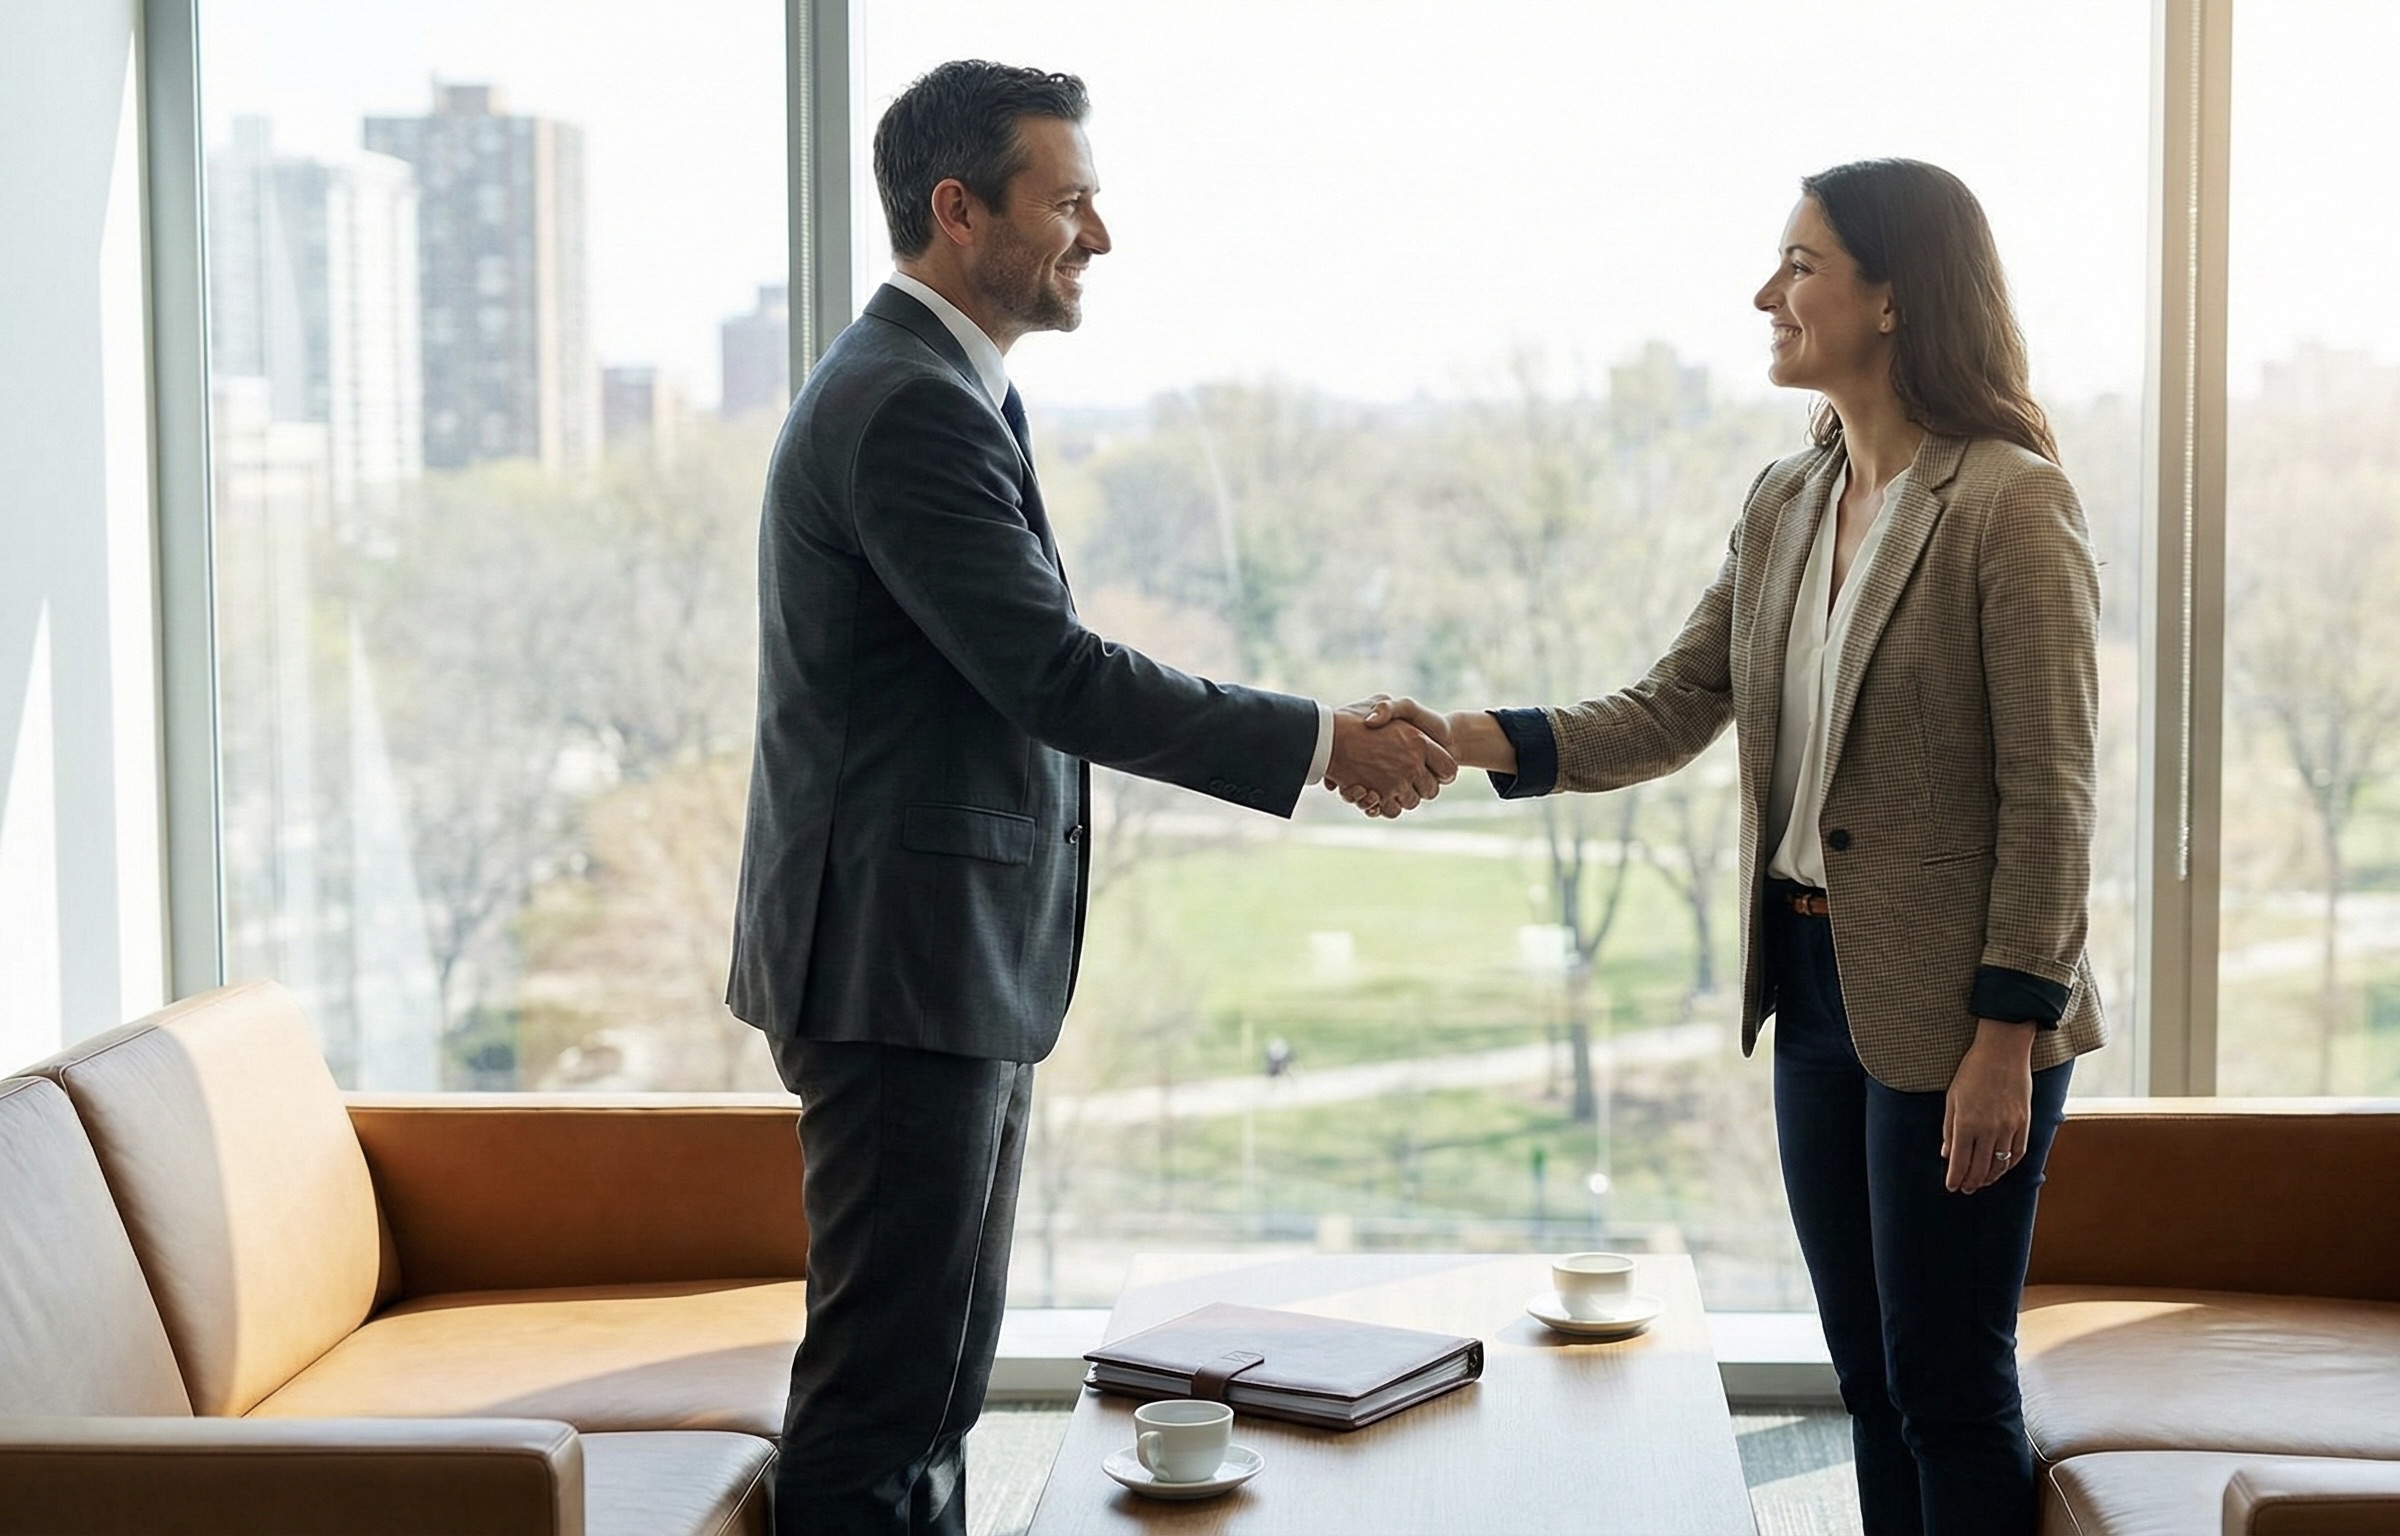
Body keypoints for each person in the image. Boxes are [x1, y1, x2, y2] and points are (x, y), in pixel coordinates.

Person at [724, 61, 1451, 1536]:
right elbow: (1052, 675)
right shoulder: (907, 406)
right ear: (957, 210)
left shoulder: (934, 386)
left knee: (935, 1391)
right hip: (898, 967)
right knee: (884, 1407)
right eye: (1067, 202)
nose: (1099, 235)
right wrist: (1321, 741)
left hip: (930, 963)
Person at [1402, 159, 2103, 1536]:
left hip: (1964, 1010)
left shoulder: (2009, 503)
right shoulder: (1788, 498)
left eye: (1801, 264)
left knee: (1948, 1385)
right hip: (1812, 990)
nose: (1766, 292)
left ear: (1892, 296)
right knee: (1870, 1381)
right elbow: (1672, 705)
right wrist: (1463, 735)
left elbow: (2054, 792)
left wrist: (2008, 1034)